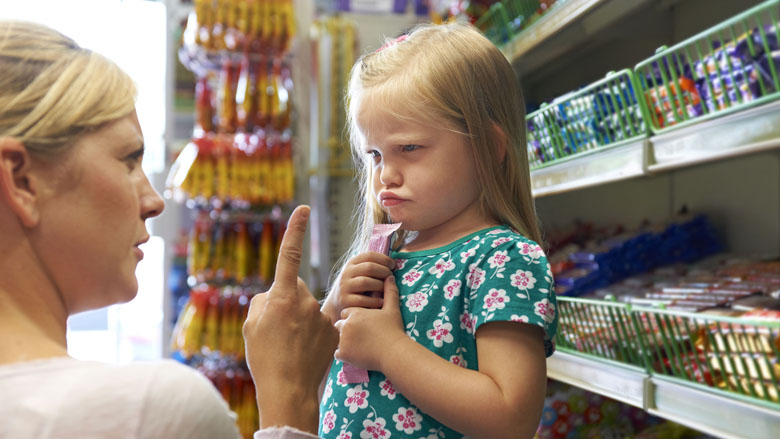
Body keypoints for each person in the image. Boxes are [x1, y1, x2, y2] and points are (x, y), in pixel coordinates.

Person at [0, 20, 336, 439]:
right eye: (127, 160)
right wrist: (291, 395)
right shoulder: (148, 411)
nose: (155, 201)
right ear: (21, 180)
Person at [319, 22, 558, 439]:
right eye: (373, 154)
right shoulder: (390, 253)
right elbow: (312, 370)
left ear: (489, 148)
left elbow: (511, 417)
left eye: (409, 148)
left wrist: (389, 351)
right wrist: (334, 305)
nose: (385, 175)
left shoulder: (502, 258)